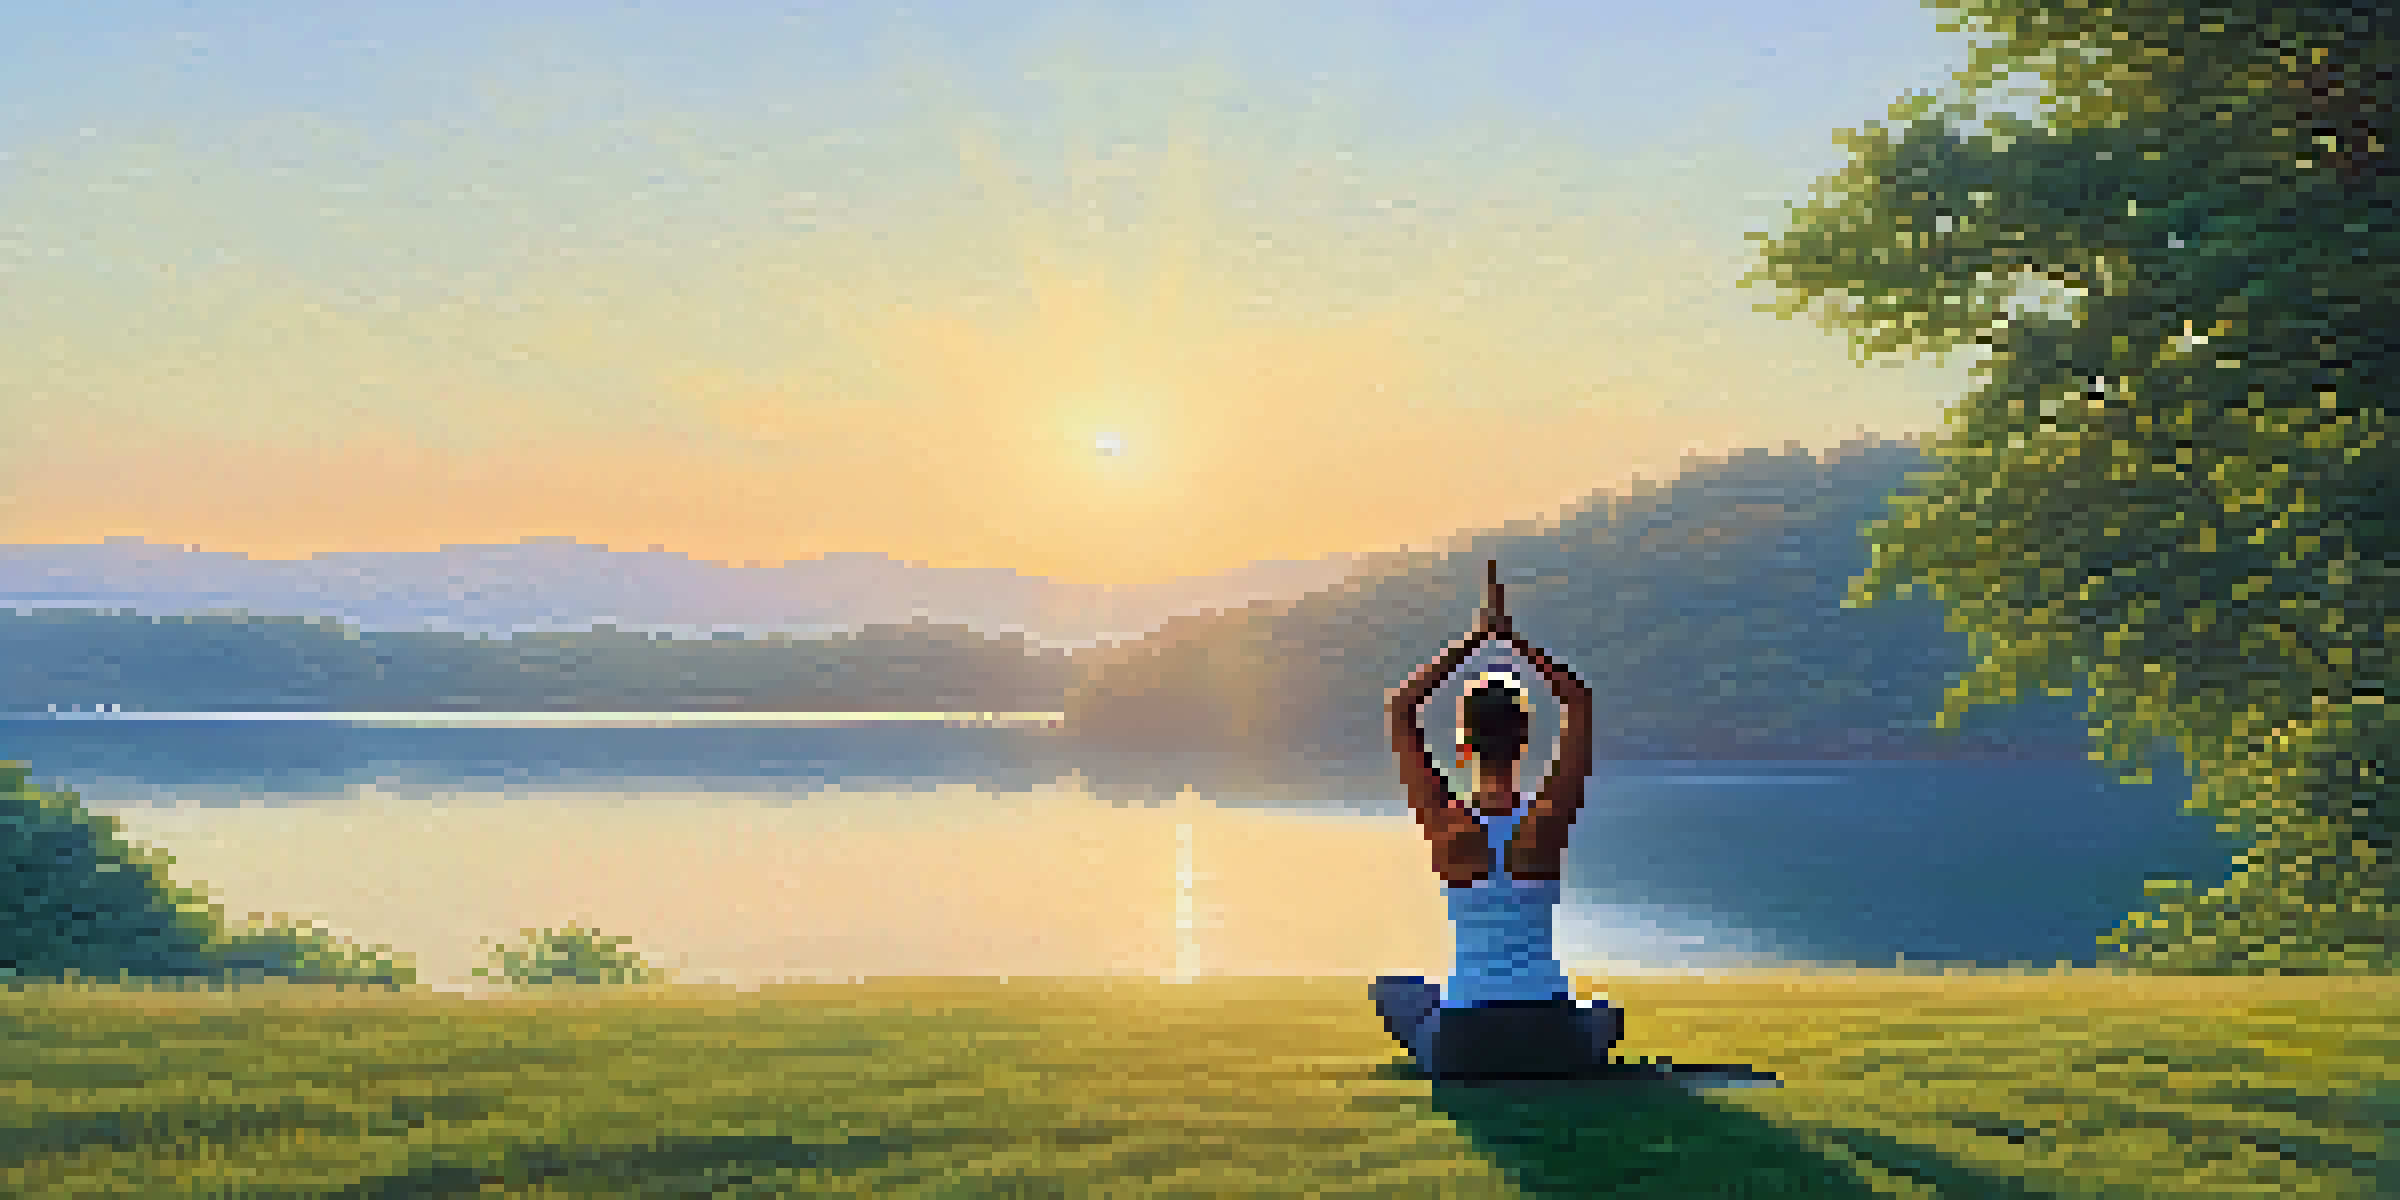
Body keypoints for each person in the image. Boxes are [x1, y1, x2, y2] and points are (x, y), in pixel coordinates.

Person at [1368, 559, 1623, 1078]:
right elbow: (1578, 701)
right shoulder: (1547, 819)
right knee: (1605, 1014)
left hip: (1466, 1044)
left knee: (1393, 992)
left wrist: (1475, 640)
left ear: (1464, 743)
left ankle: (1449, 1033)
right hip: (1551, 1039)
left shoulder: (1445, 823)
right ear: (1525, 739)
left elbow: (1402, 707)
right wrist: (1513, 642)